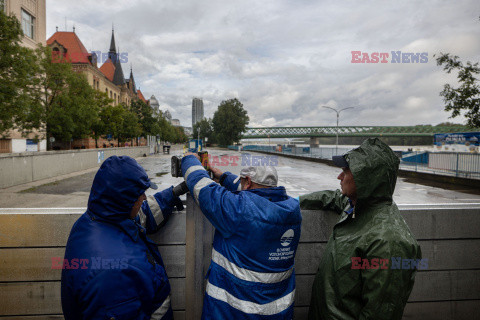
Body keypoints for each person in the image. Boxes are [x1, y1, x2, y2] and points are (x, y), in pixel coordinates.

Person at [299, 138, 422, 320]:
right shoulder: (356, 206)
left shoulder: (389, 242)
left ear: (366, 179)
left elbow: (380, 313)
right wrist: (290, 202)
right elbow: (334, 197)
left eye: (345, 171)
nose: (339, 177)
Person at [181, 153, 302, 319]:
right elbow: (257, 195)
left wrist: (190, 158)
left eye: (243, 181)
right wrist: (223, 177)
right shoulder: (293, 210)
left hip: (233, 313)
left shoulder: (240, 210)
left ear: (248, 182)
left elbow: (202, 188)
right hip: (278, 313)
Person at [61, 155, 183, 320]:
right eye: (140, 194)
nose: (144, 198)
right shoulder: (113, 275)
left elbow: (142, 214)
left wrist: (174, 193)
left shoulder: (95, 220)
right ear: (125, 201)